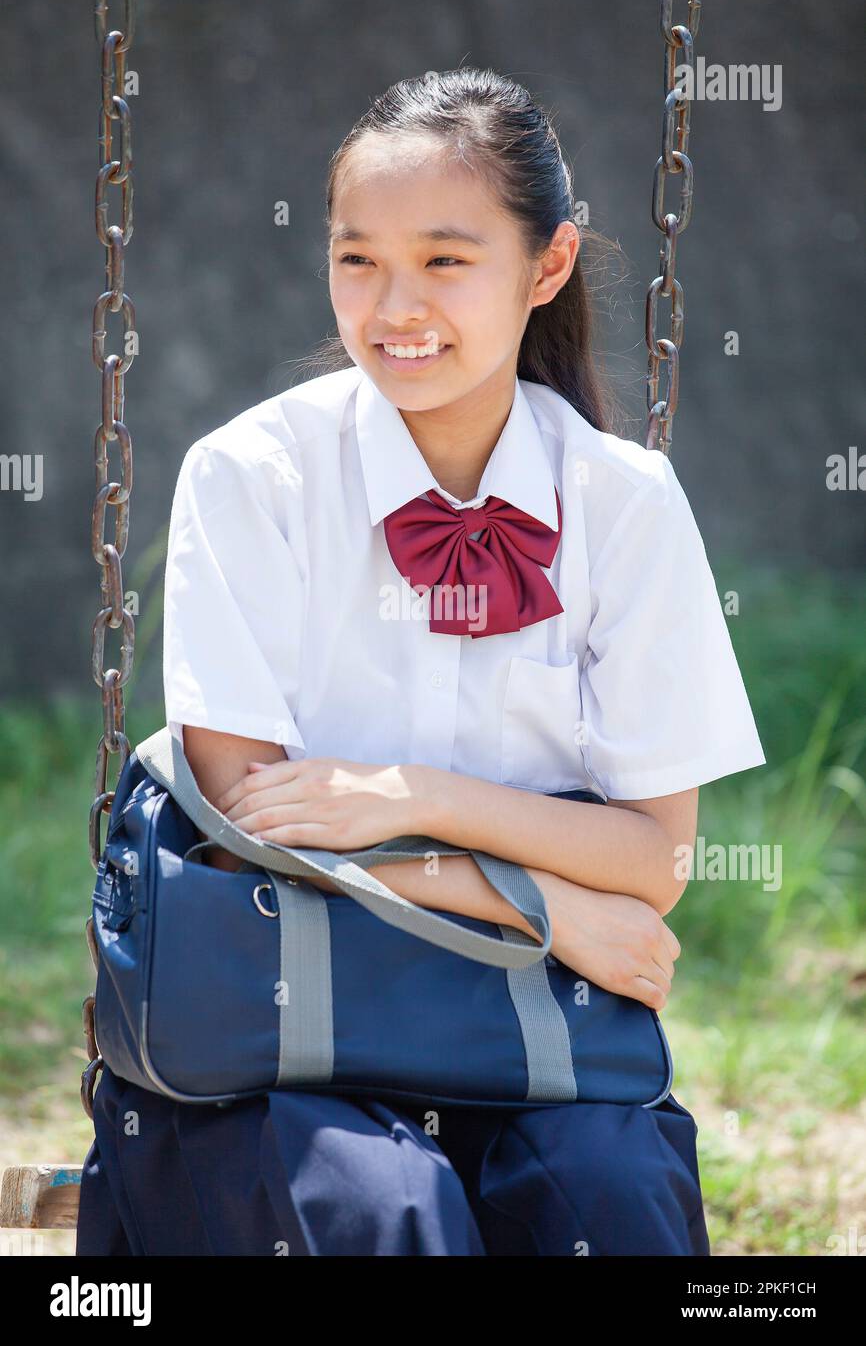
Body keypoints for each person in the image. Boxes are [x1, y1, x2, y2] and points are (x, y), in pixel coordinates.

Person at [76, 66, 765, 1257]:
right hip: (288, 1021)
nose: (394, 305)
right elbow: (254, 818)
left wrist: (407, 801)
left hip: (530, 1029)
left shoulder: (624, 503)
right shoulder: (253, 478)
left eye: (445, 260)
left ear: (543, 268)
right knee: (373, 1214)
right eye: (357, 259)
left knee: (609, 1199)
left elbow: (651, 858)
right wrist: (538, 896)